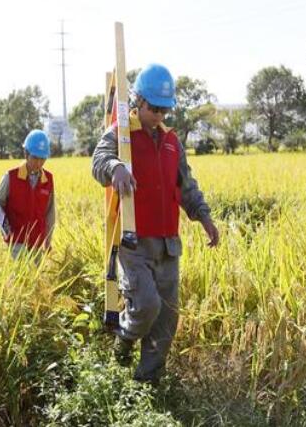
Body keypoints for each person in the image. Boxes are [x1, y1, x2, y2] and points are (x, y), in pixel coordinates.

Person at [92, 63, 220, 384]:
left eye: (165, 109)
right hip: (134, 242)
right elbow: (98, 161)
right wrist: (115, 167)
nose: (159, 115)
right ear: (138, 101)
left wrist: (204, 217)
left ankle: (144, 384)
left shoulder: (172, 142)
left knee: (166, 320)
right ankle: (123, 341)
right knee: (146, 306)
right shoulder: (121, 134)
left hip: (168, 245)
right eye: (154, 108)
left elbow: (186, 185)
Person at [0, 129, 56, 261]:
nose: (38, 163)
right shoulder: (11, 177)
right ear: (26, 154)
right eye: (35, 158)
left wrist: (48, 240)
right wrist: (3, 227)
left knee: (35, 279)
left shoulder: (48, 179)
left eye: (42, 159)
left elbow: (50, 212)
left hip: (37, 242)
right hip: (16, 241)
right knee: (20, 277)